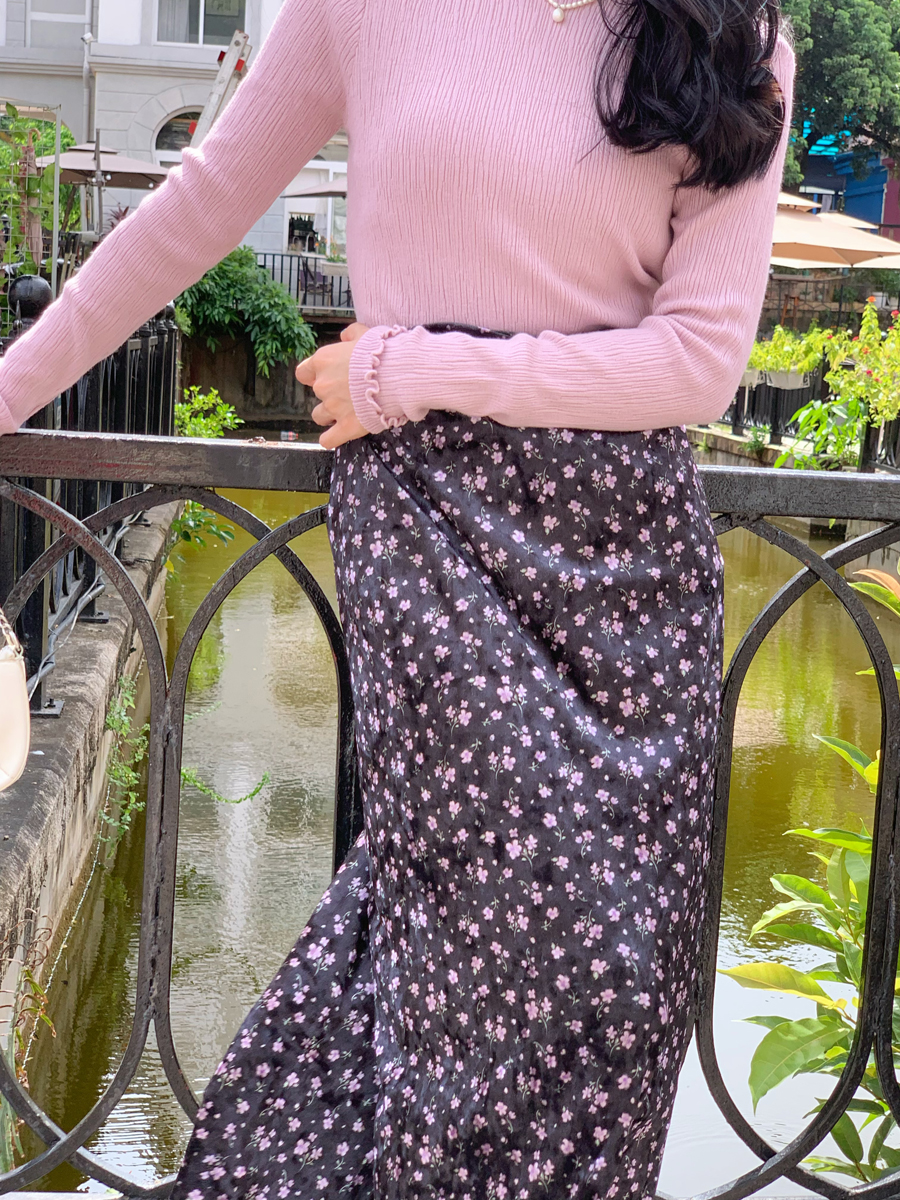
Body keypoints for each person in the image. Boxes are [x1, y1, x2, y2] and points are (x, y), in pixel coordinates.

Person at [0, 0, 794, 1191]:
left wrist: (410, 366)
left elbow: (697, 361)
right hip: (431, 524)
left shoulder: (734, 35)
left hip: (631, 568)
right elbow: (200, 207)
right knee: (479, 957)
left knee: (620, 986)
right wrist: (10, 387)